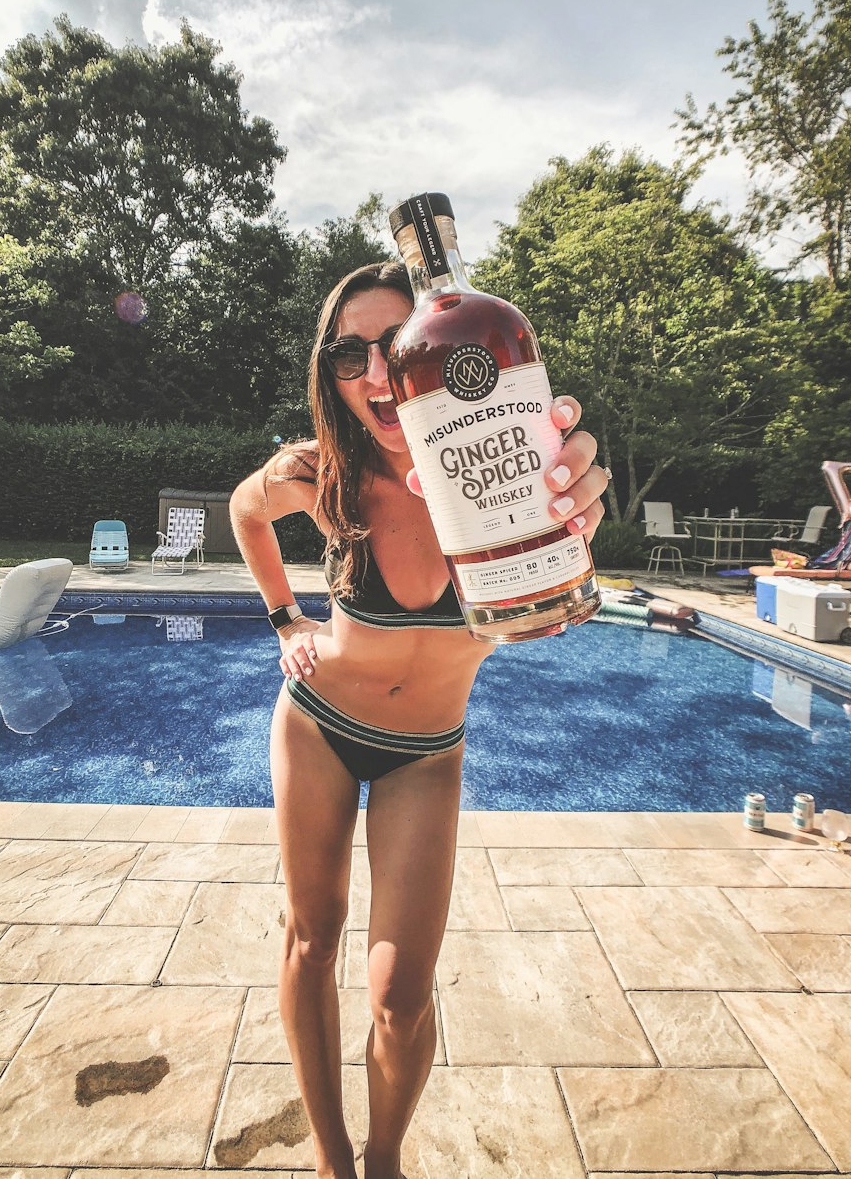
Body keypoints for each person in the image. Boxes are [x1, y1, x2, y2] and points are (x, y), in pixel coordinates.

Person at [229, 261, 608, 1179]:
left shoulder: (504, 480)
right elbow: (245, 511)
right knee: (311, 938)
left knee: (401, 993)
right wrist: (286, 619)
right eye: (347, 352)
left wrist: (573, 505)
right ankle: (330, 1161)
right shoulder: (326, 477)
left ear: (435, 355)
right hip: (318, 726)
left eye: (390, 346)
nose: (371, 371)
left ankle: (386, 1155)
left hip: (424, 756)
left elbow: (554, 572)